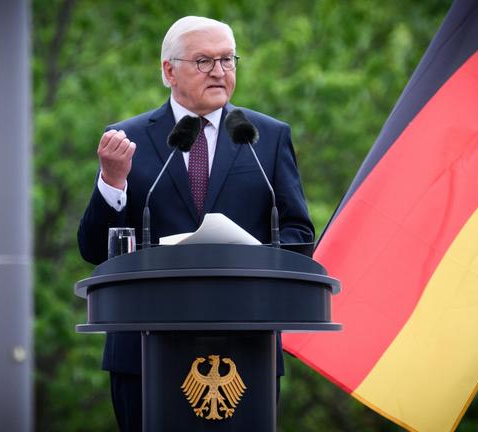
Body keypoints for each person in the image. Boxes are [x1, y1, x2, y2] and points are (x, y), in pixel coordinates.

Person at [77, 15, 314, 431]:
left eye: (228, 60)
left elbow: (298, 235)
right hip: (144, 350)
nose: (220, 72)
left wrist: (255, 259)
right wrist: (112, 181)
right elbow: (96, 251)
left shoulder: (267, 137)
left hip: (246, 347)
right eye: (205, 61)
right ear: (169, 70)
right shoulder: (125, 139)